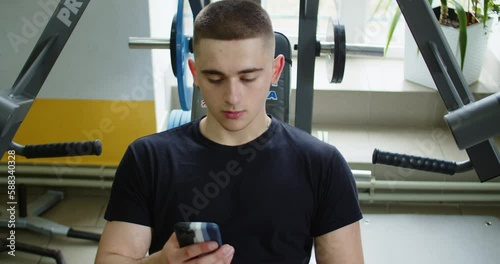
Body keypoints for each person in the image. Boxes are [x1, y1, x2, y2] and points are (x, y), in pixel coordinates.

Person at [95, 0, 364, 263]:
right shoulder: (148, 159)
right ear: (195, 73)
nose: (232, 97)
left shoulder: (322, 165)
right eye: (215, 79)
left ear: (275, 70)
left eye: (248, 78)